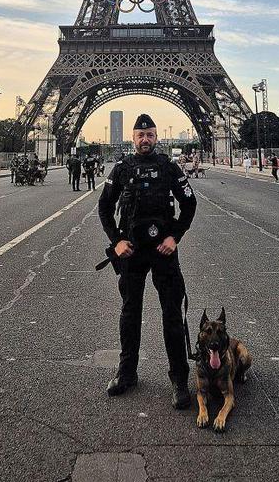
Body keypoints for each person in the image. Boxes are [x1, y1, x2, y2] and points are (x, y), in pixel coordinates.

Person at [98, 114, 197, 409]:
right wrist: (116, 241)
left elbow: (189, 202)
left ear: (156, 137)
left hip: (163, 250)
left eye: (150, 135)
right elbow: (104, 205)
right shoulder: (122, 168)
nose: (145, 139)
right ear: (133, 138)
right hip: (132, 250)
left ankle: (179, 378)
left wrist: (175, 237)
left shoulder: (169, 166)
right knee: (130, 312)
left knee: (171, 315)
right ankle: (127, 372)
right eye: (141, 135)